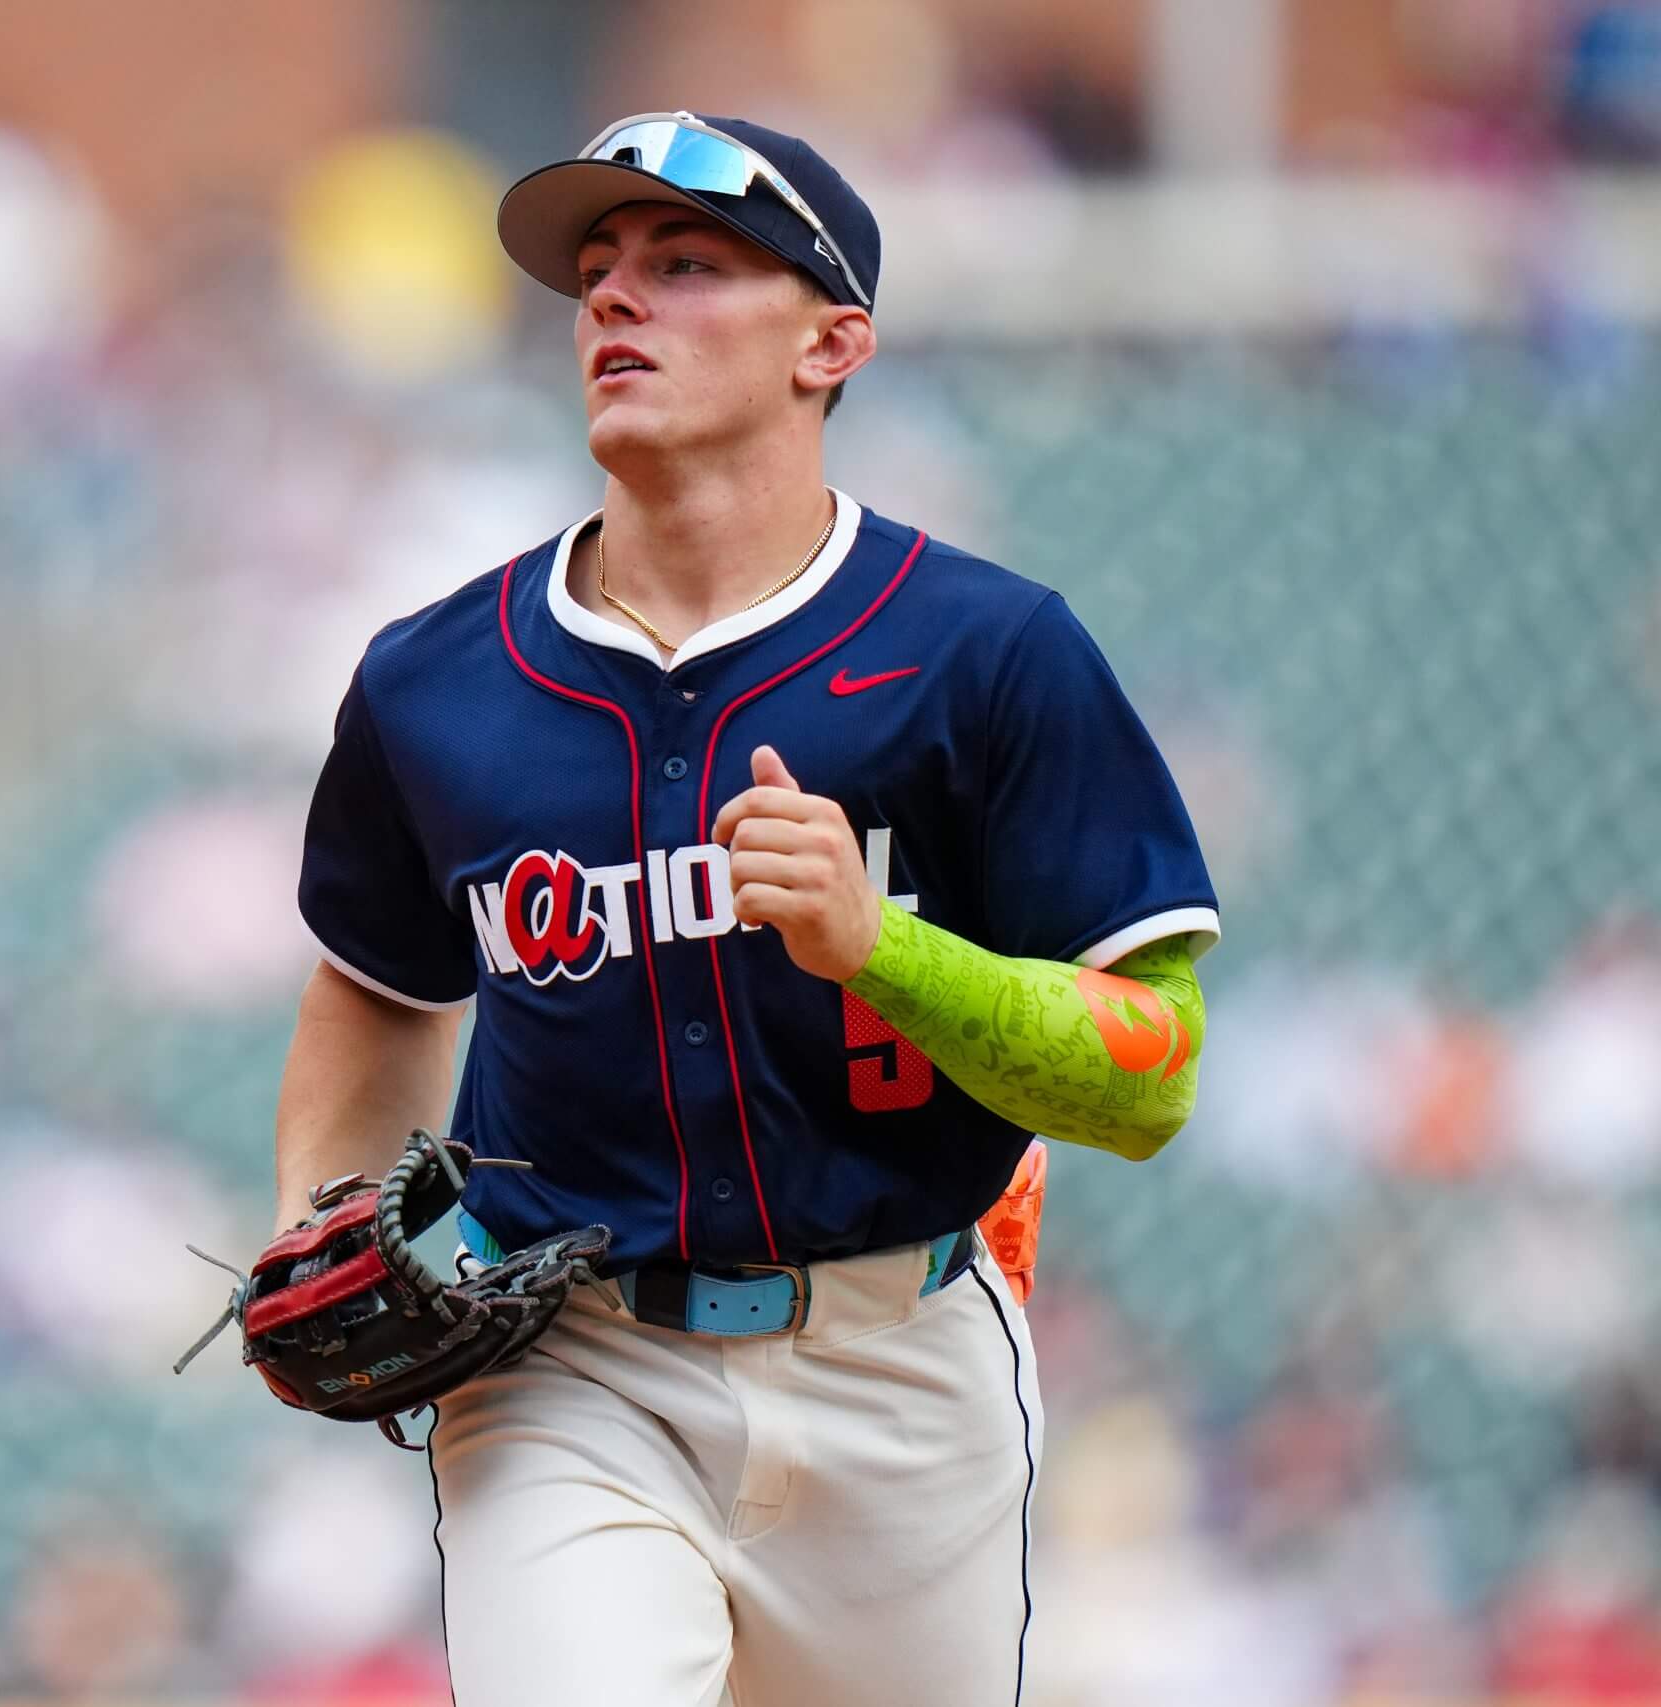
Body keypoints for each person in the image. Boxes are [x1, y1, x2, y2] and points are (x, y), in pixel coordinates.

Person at [271, 111, 1219, 1706]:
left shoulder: (986, 652)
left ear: (832, 342)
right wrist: (324, 1209)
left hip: (901, 1367)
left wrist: (882, 947)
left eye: (688, 263)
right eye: (599, 272)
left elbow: (1155, 1072)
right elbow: (376, 981)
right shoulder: (435, 682)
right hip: (574, 1363)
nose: (614, 301)